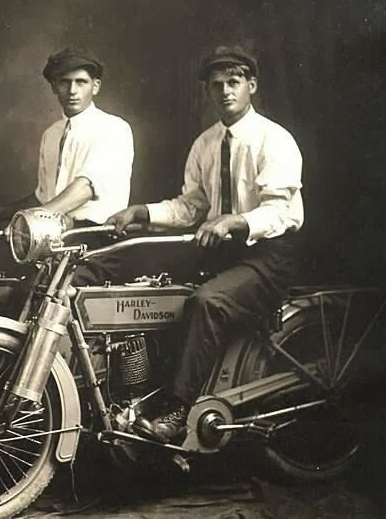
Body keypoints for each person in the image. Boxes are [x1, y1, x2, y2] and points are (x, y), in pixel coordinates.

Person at [107, 45, 304, 443]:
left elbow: (281, 212)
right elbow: (191, 206)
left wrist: (235, 221)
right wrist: (141, 212)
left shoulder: (274, 140)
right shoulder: (205, 144)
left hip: (270, 256)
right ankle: (139, 398)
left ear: (252, 85)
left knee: (207, 302)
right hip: (222, 253)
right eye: (216, 85)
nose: (225, 91)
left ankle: (177, 414)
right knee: (148, 285)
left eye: (234, 82)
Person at [0, 46, 134, 284]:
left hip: (97, 245)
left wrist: (27, 220)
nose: (73, 90)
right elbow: (44, 198)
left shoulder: (113, 129)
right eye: (65, 82)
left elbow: (85, 188)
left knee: (47, 294)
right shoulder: (51, 135)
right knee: (11, 287)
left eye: (81, 82)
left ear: (95, 86)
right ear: (54, 86)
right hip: (55, 242)